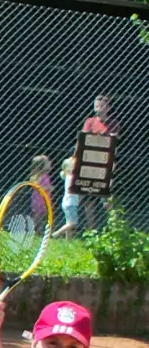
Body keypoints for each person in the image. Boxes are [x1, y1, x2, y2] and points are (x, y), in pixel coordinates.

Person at [80, 94, 121, 230]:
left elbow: (113, 142)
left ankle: (114, 228)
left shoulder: (113, 123)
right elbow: (85, 139)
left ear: (108, 107)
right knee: (89, 200)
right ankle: (91, 230)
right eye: (96, 106)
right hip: (90, 163)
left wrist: (100, 139)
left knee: (106, 199)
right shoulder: (89, 122)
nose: (98, 108)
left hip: (106, 164)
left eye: (101, 105)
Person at [56, 155, 81, 240]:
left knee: (68, 222)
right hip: (71, 203)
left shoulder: (67, 177)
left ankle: (68, 240)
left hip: (67, 202)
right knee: (73, 223)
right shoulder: (72, 178)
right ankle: (56, 234)